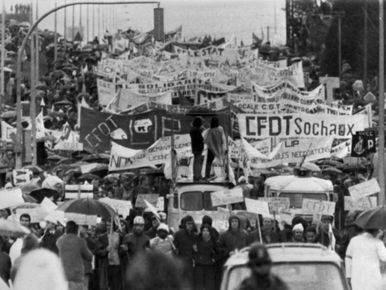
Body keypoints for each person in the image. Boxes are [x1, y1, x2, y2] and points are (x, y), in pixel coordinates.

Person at [56, 221, 93, 290]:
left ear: (66, 229)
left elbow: (59, 243)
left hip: (63, 274)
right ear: (76, 229)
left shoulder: (60, 241)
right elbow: (89, 256)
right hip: (76, 276)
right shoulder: (80, 241)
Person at [173, 215, 197, 286]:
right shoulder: (178, 234)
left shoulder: (194, 236)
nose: (190, 226)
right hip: (180, 262)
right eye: (188, 224)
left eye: (191, 224)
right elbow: (174, 247)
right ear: (185, 224)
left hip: (190, 263)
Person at [193, 224, 218, 290]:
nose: (205, 232)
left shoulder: (213, 241)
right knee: (199, 284)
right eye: (204, 231)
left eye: (207, 231)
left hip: (209, 265)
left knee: (209, 284)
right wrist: (196, 257)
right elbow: (193, 252)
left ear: (210, 232)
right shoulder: (197, 240)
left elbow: (218, 251)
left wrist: (214, 259)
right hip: (199, 264)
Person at [190, 117, 204, 181]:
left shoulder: (192, 129)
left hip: (194, 147)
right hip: (199, 147)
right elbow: (200, 138)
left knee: (195, 162)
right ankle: (198, 176)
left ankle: (195, 175)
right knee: (198, 162)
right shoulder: (198, 130)